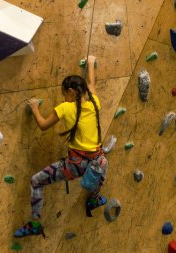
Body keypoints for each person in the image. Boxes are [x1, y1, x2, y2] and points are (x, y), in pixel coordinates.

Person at [14, 55, 108, 238]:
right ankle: (94, 200)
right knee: (97, 179)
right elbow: (91, 83)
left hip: (74, 166)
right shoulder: (95, 103)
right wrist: (90, 63)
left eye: (64, 93)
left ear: (71, 92)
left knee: (36, 181)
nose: (63, 97)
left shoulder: (65, 108)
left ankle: (35, 224)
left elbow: (42, 125)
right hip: (99, 162)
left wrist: (34, 107)